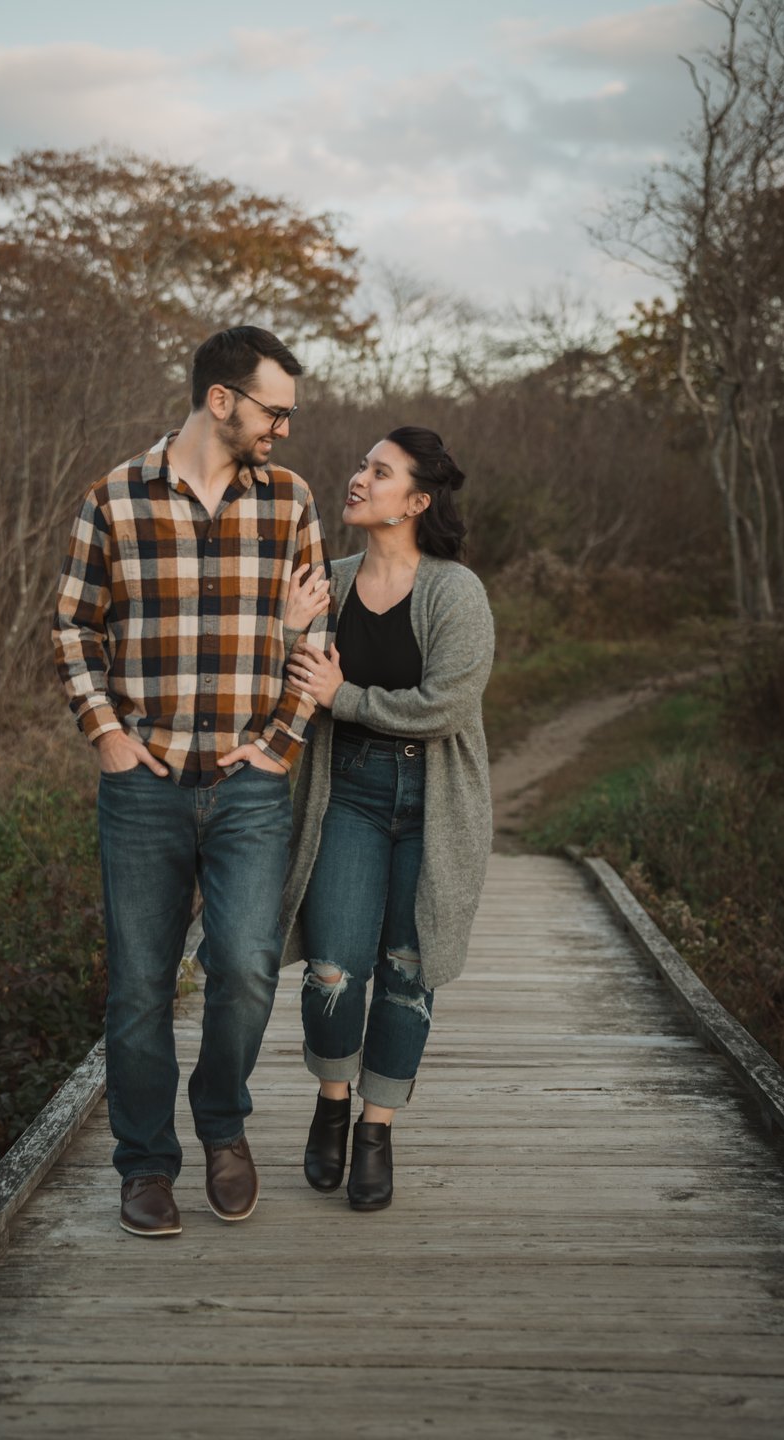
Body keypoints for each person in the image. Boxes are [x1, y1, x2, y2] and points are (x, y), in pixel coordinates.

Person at [52, 326, 331, 1238]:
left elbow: (315, 643)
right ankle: (145, 1164)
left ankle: (222, 1128)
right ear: (222, 399)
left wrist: (282, 744)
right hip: (144, 783)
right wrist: (107, 738)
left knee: (246, 969)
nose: (282, 429)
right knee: (138, 985)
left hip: (250, 783)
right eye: (273, 410)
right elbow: (74, 631)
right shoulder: (113, 499)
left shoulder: (290, 502)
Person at [281, 426, 493, 1211]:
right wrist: (286, 634)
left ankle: (377, 1129)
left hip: (435, 802)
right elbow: (291, 689)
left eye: (379, 470)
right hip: (351, 792)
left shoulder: (455, 592)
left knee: (409, 970)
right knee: (333, 965)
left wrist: (348, 700)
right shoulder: (324, 585)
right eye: (362, 467)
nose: (357, 478)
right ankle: (333, 1103)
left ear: (417, 499)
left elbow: (447, 705)